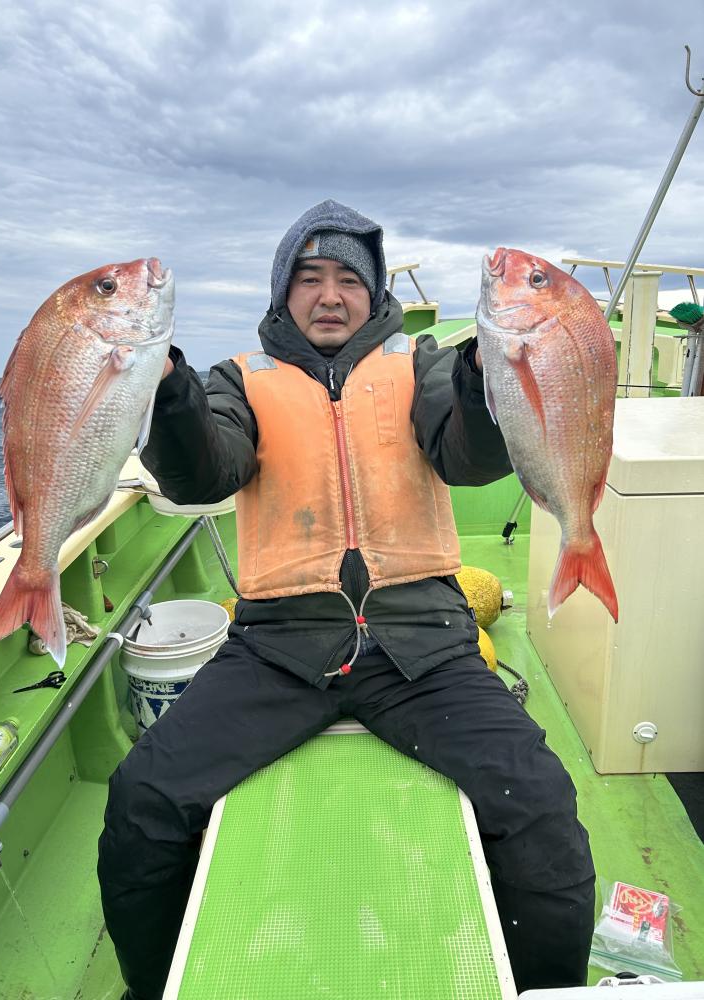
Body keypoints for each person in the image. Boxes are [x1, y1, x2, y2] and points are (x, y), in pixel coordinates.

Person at [97, 199, 595, 1000]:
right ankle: (152, 986)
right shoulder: (237, 379)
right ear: (282, 292)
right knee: (141, 801)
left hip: (423, 643)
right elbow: (202, 474)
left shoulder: (424, 365)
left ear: (372, 293)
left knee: (539, 805)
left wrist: (482, 378)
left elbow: (468, 459)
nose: (329, 295)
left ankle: (547, 988)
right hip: (277, 646)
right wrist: (169, 391)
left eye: (347, 280)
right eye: (308, 278)